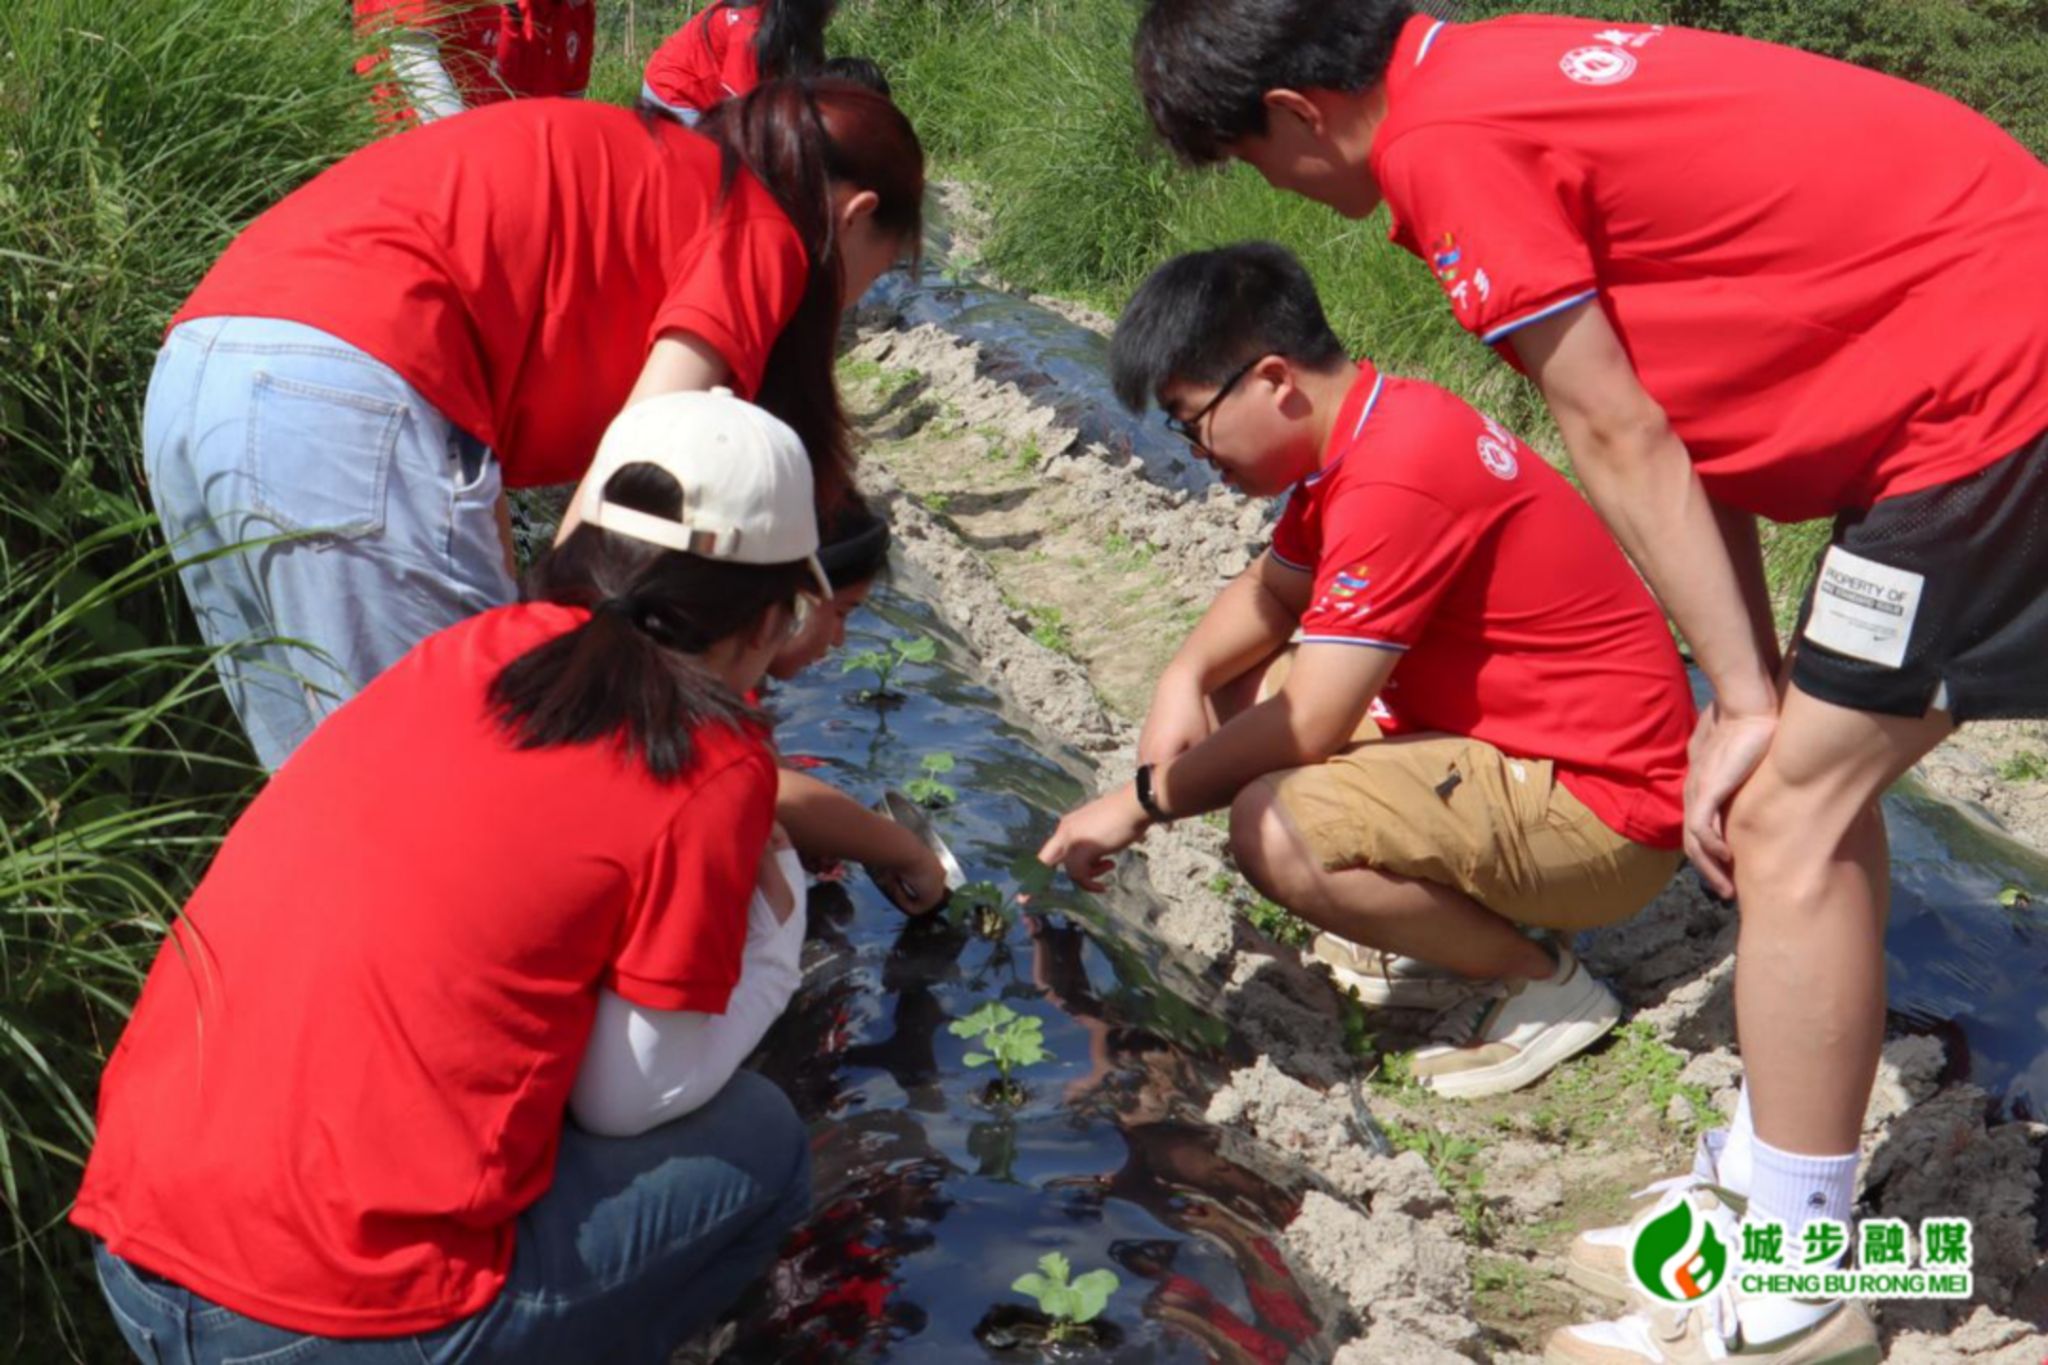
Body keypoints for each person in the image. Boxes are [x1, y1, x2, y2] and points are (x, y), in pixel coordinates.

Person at [1129, 2, 2048, 1359]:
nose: (1300, 202)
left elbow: (1613, 429)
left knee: (1791, 809)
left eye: (1266, 168)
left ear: (1297, 113)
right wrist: (1744, 687)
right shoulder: (1503, 71)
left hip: (1990, 392)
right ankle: (1755, 1194)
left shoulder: (1452, 144)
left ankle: (1795, 1294)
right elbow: (1676, 427)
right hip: (1966, 366)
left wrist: (1737, 703)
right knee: (1807, 793)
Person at [75, 391, 840, 1362]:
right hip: (325, 1321)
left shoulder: (459, 653)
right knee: (763, 1143)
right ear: (762, 618)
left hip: (132, 1241)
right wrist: (773, 952)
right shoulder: (711, 760)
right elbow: (623, 1096)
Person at [1037, 243, 1694, 1098]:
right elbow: (1272, 595)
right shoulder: (1374, 428)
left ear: (1273, 379)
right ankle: (1434, 935)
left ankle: (1540, 979)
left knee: (1275, 825)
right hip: (1533, 746)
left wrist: (1142, 799)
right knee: (1251, 691)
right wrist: (1184, 677)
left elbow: (1309, 723)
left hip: (1605, 811)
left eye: (1189, 420)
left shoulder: (1397, 475)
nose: (1193, 448)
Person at [145, 80, 922, 770]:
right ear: (856, 217)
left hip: (200, 366)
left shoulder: (657, 180)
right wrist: (583, 662)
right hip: (344, 396)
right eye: (878, 272)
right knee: (456, 783)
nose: (851, 305)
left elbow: (487, 461)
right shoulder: (761, 231)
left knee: (324, 789)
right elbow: (634, 465)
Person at [765, 496, 951, 913]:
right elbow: (761, 789)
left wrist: (825, 829)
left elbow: (764, 765)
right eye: (842, 613)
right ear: (795, 600)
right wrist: (908, 854)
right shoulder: (672, 680)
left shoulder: (717, 678)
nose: (838, 640)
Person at [354, 0, 596, 123]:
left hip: (511, 174)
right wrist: (475, 164)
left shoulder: (574, 7)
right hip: (422, 168)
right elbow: (413, 58)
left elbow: (567, 107)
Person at [642, 0, 836, 124]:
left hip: (712, 89)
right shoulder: (748, 34)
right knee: (718, 166)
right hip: (675, 93)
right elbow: (742, 115)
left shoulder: (782, 15)